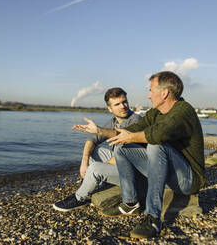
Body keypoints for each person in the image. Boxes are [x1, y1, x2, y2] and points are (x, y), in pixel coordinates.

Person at [73, 71, 205, 239]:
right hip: (167, 174)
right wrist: (99, 131)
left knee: (157, 145)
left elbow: (158, 134)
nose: (148, 96)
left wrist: (131, 137)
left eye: (151, 90)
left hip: (188, 179)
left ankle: (153, 217)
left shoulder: (183, 111)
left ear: (164, 93)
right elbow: (130, 131)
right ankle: (130, 203)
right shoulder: (156, 113)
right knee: (122, 146)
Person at [53, 87, 142, 212]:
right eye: (117, 104)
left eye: (124, 102)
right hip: (122, 165)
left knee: (95, 168)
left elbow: (126, 153)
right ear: (110, 109)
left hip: (134, 173)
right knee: (92, 151)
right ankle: (96, 182)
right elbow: (91, 140)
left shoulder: (136, 121)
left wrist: (100, 168)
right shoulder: (114, 121)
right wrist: (84, 162)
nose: (123, 106)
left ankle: (80, 198)